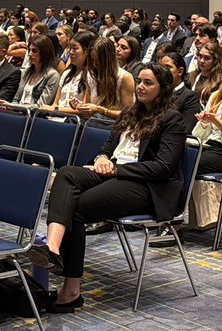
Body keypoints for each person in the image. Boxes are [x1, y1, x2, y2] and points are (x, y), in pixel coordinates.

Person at [27, 63, 186, 313]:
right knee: (67, 173)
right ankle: (53, 248)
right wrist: (102, 159)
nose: (140, 87)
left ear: (163, 88)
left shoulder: (171, 119)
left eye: (148, 83)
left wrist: (116, 169)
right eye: (139, 81)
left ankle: (71, 291)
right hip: (114, 173)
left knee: (76, 207)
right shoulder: (130, 112)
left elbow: (163, 167)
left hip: (147, 186)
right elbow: (107, 149)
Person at [71, 36, 135, 120]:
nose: (94, 64)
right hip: (93, 122)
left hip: (114, 125)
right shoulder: (91, 75)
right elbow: (86, 108)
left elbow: (128, 115)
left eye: (98, 60)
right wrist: (79, 106)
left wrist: (101, 110)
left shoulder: (125, 77)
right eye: (92, 60)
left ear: (108, 59)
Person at [49, 31, 95, 114]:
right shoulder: (66, 73)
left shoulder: (91, 75)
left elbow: (84, 110)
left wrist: (56, 109)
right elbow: (55, 103)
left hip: (74, 119)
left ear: (87, 51)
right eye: (70, 48)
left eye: (75, 48)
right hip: (56, 116)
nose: (71, 52)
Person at [10, 36, 61, 107]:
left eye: (34, 51)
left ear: (44, 53)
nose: (30, 54)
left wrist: (15, 107)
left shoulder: (53, 75)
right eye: (29, 50)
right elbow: (16, 99)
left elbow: (41, 105)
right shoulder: (26, 72)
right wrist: (10, 106)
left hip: (33, 113)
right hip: (18, 111)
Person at [159, 53, 199, 131]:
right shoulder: (156, 92)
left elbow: (186, 129)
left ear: (180, 71)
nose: (163, 71)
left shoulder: (190, 97)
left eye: (168, 67)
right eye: (161, 68)